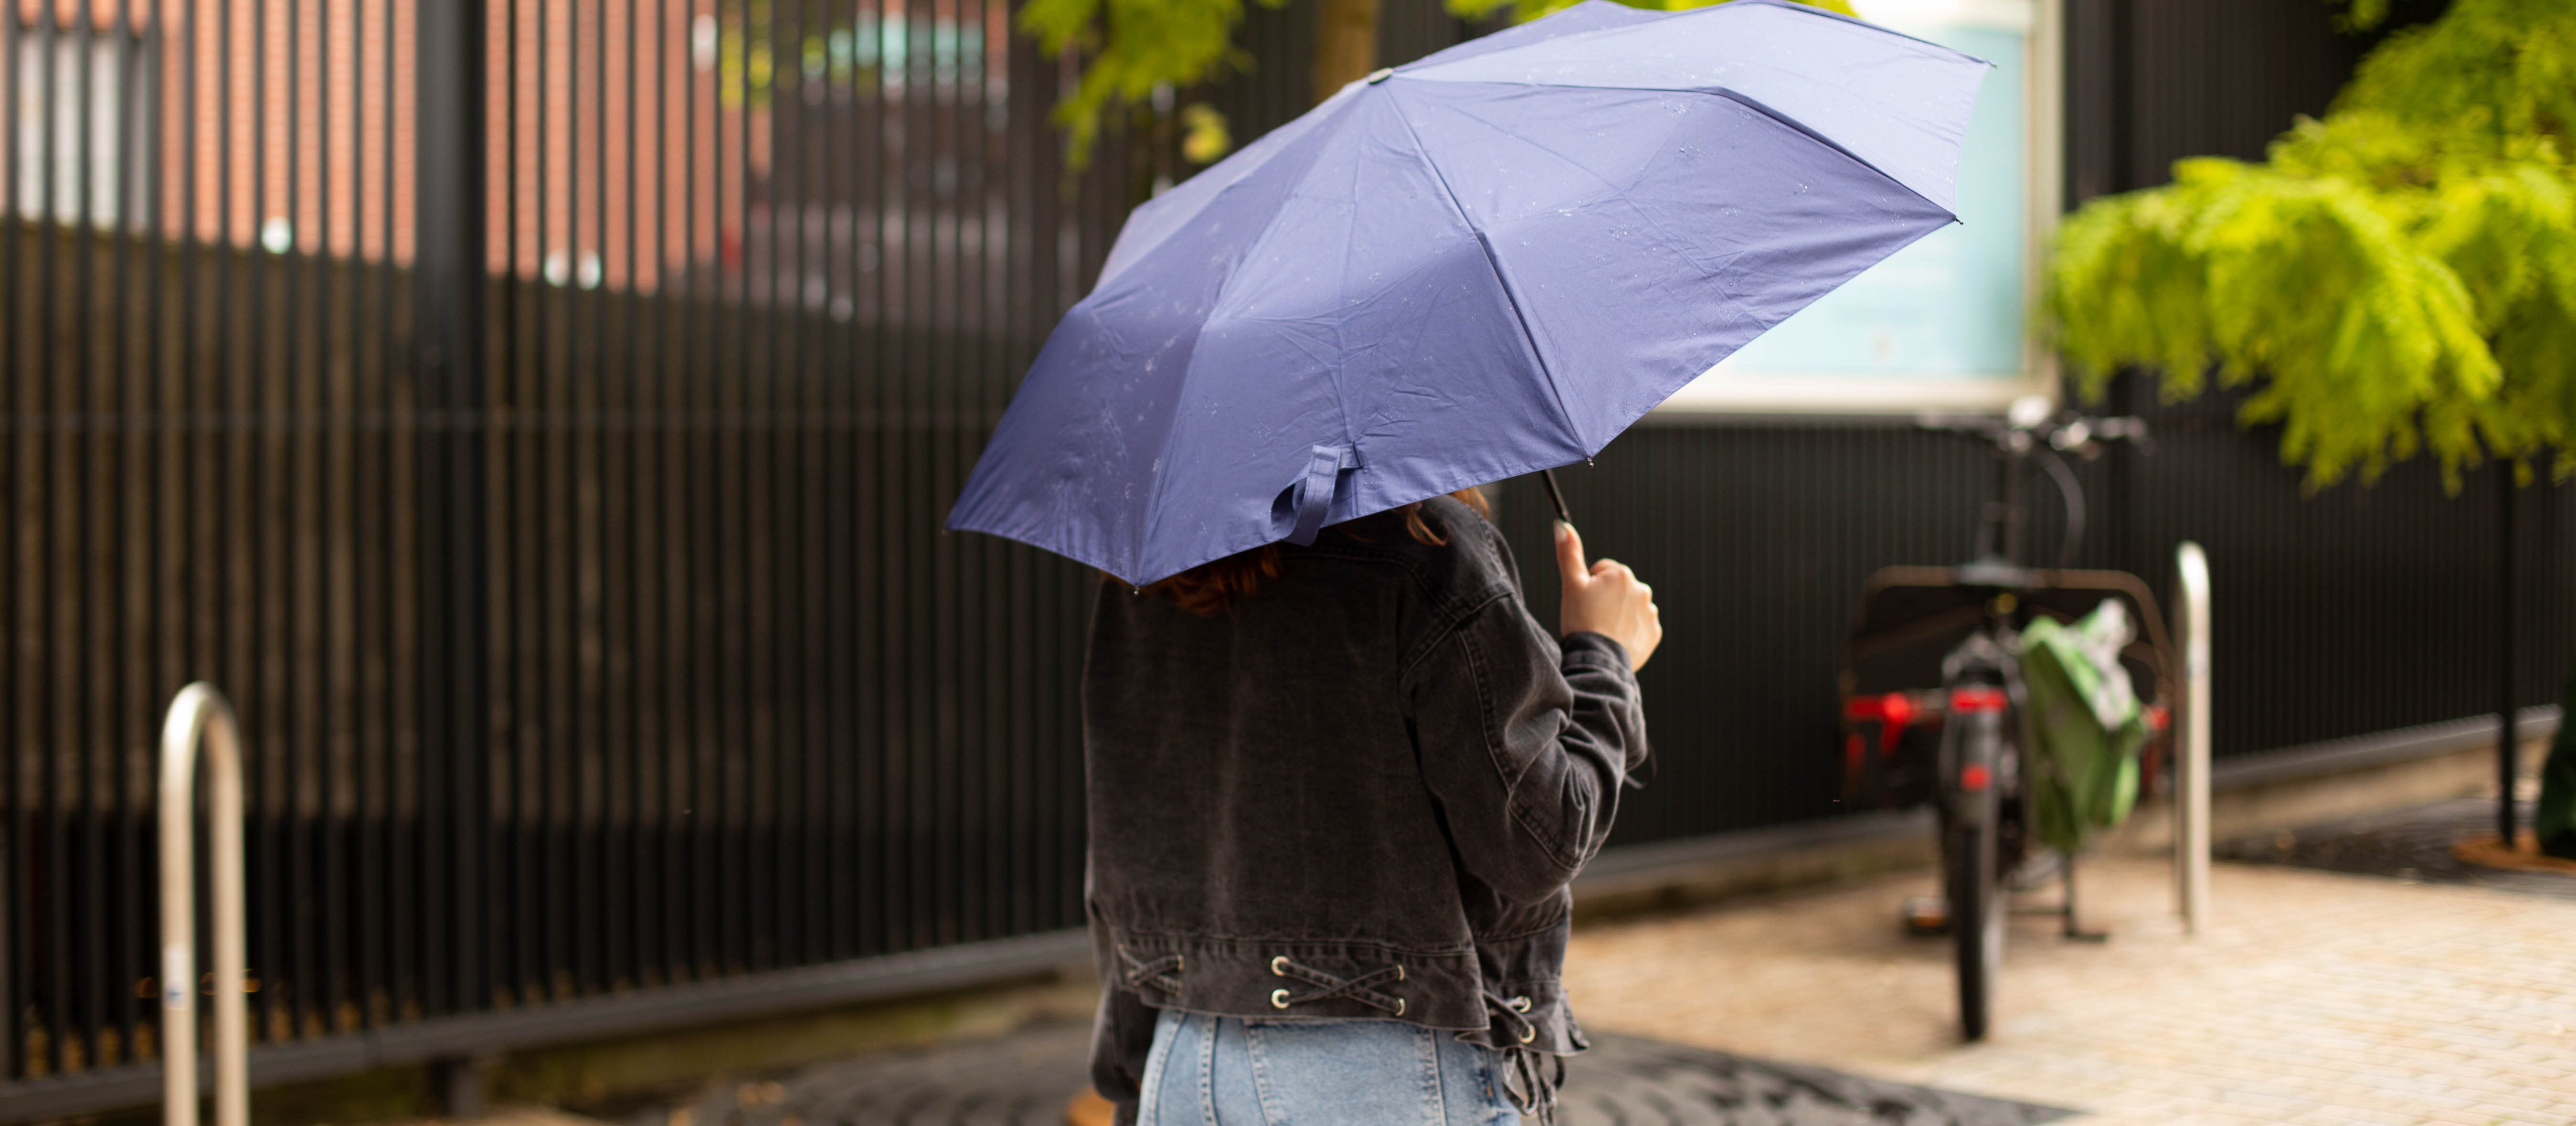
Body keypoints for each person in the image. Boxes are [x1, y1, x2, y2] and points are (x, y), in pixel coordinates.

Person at [1082, 487, 1661, 1126]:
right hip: (1377, 1073)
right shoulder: (1424, 550)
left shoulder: (1150, 565)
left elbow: (1124, 847)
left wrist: (1130, 1072)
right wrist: (1605, 655)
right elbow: (1540, 839)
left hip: (1185, 1061)